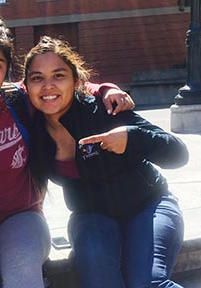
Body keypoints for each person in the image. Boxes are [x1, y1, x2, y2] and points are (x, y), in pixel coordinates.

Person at [0, 7, 135, 288]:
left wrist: (106, 89)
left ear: (6, 69)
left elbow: (62, 85)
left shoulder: (19, 100)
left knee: (22, 276)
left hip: (21, 217)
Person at [24, 36, 189, 288]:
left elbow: (179, 154)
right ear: (26, 85)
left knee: (147, 283)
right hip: (91, 217)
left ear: (76, 81)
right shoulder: (30, 127)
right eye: (37, 78)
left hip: (149, 206)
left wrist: (133, 139)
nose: (48, 86)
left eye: (59, 75)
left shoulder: (104, 110)